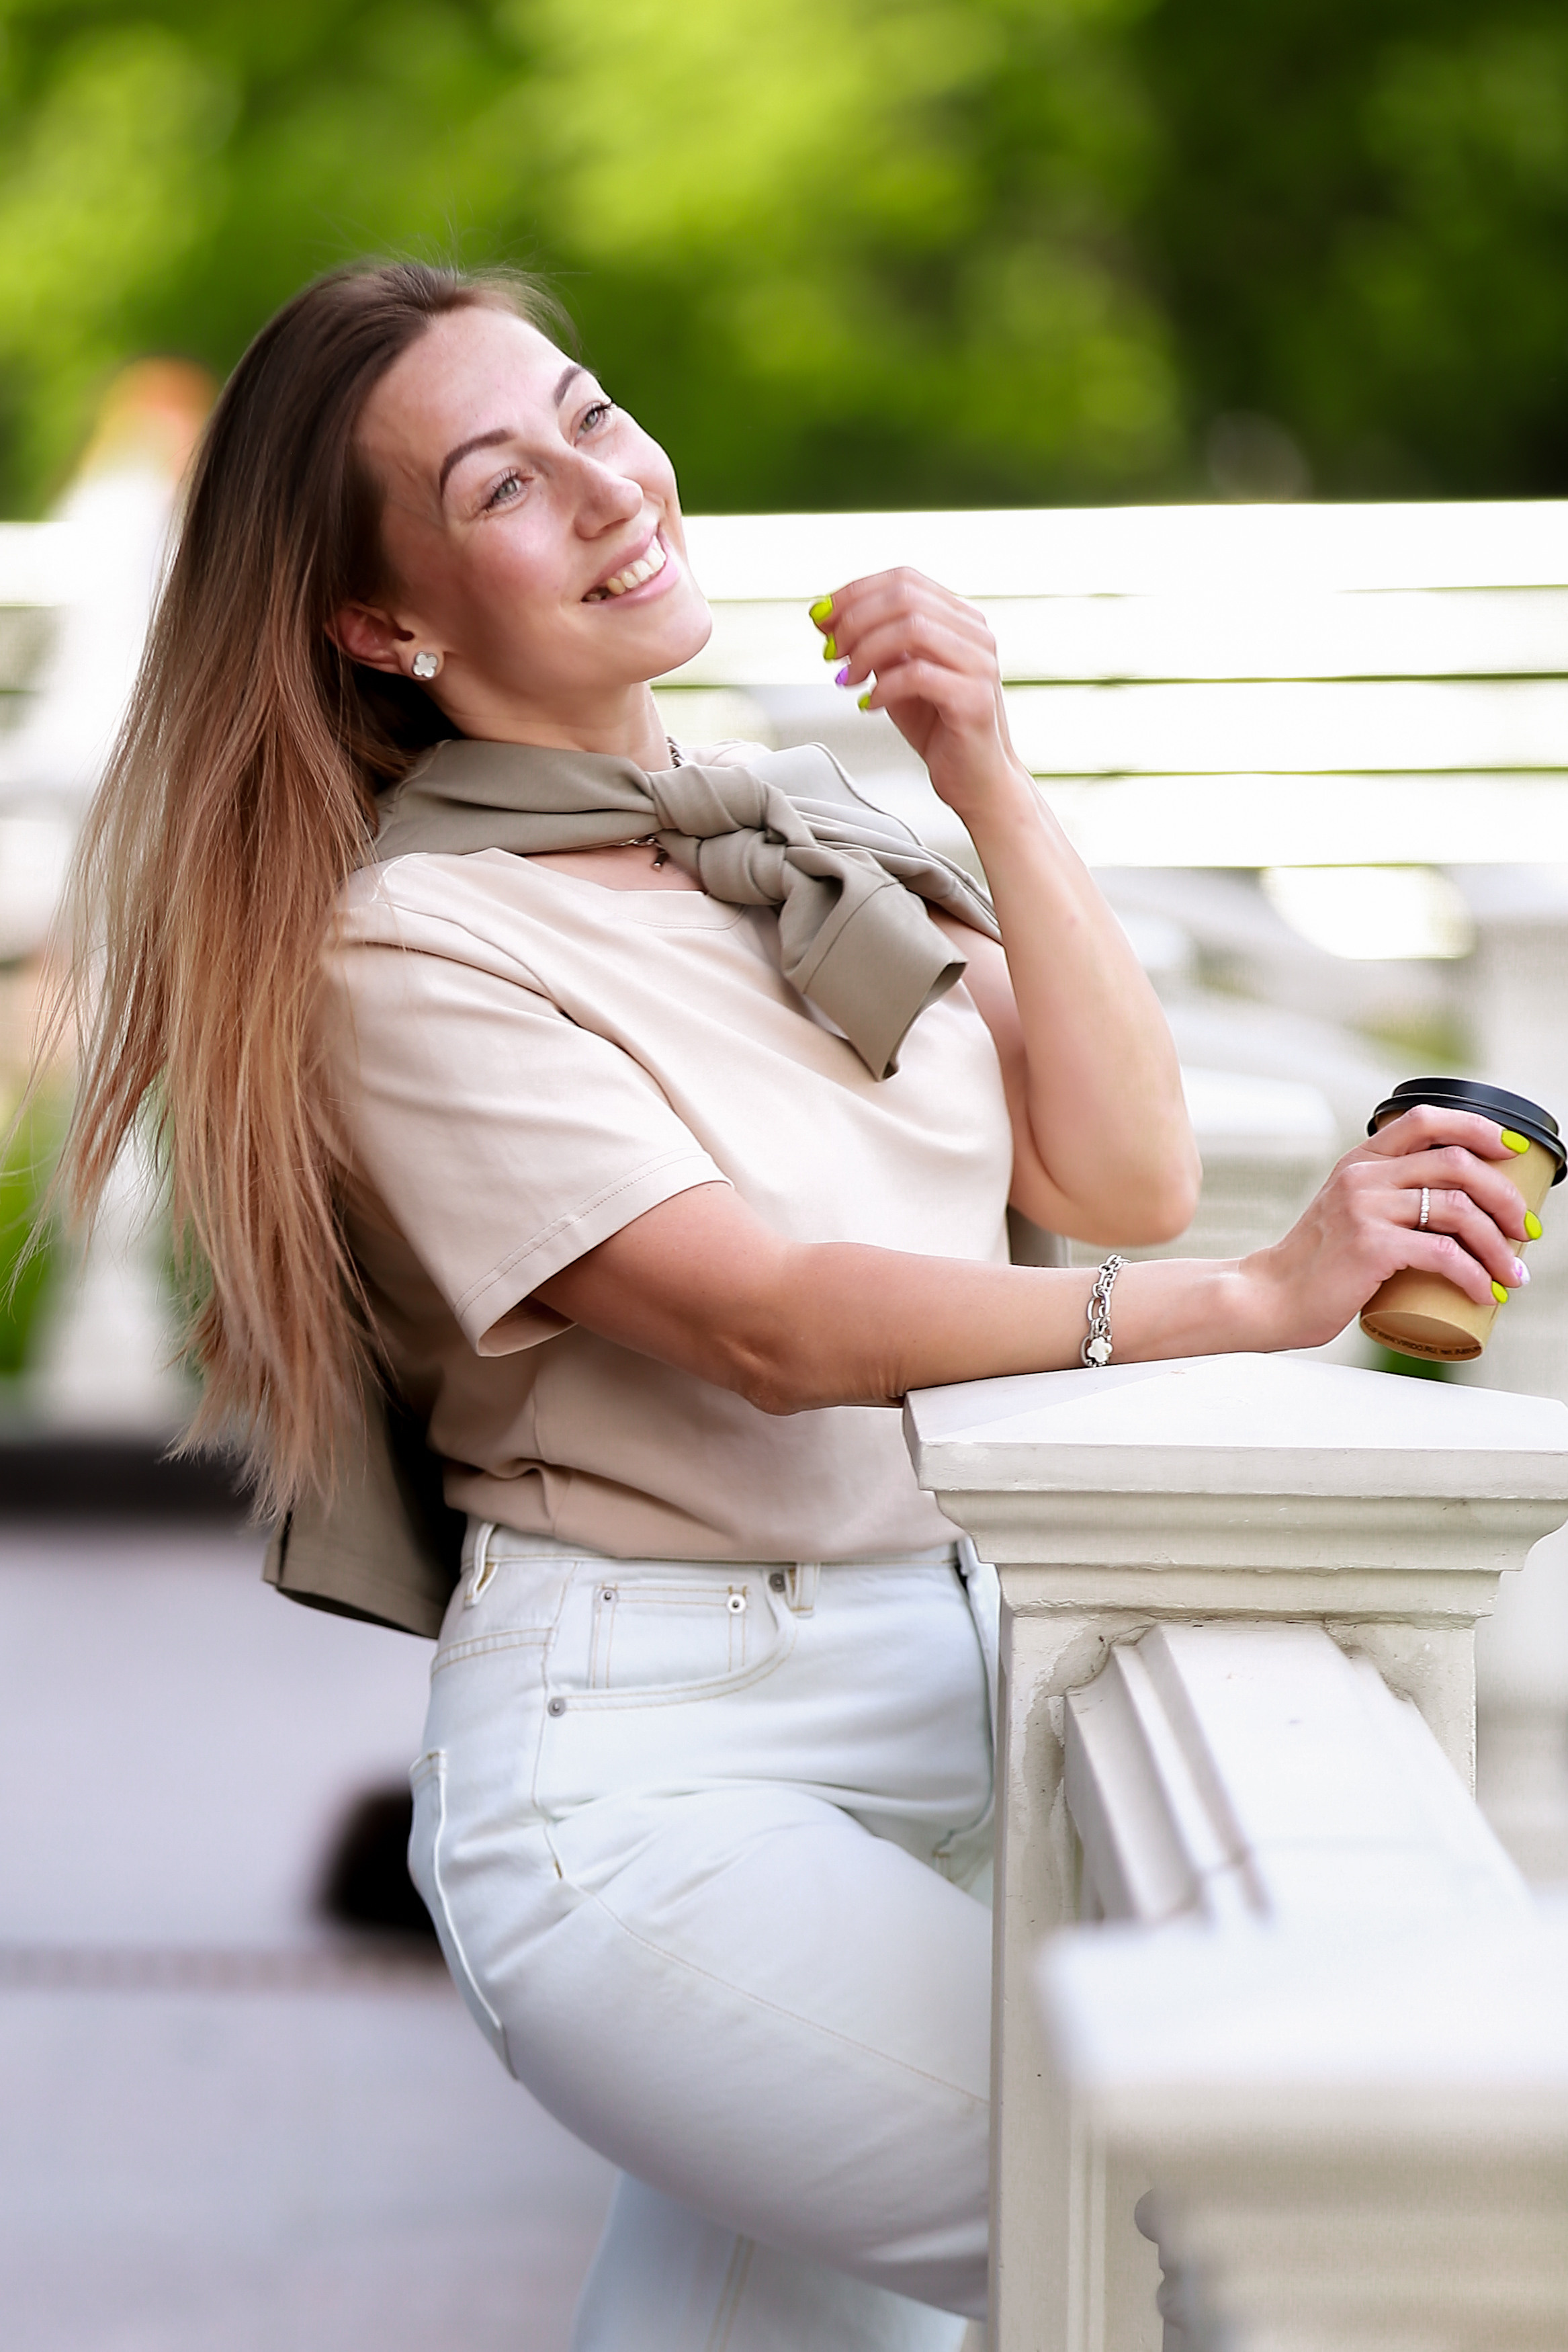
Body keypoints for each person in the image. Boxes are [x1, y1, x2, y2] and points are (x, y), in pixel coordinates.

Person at [54, 261, 1536, 2352]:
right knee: (1214, 2234)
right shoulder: (413, 949)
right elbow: (770, 1323)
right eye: (503, 484)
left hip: (950, 1693)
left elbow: (1116, 1168)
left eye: (590, 413)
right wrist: (1258, 1299)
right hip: (656, 1776)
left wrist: (981, 765)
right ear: (387, 625)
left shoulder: (786, 833)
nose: (606, 485)